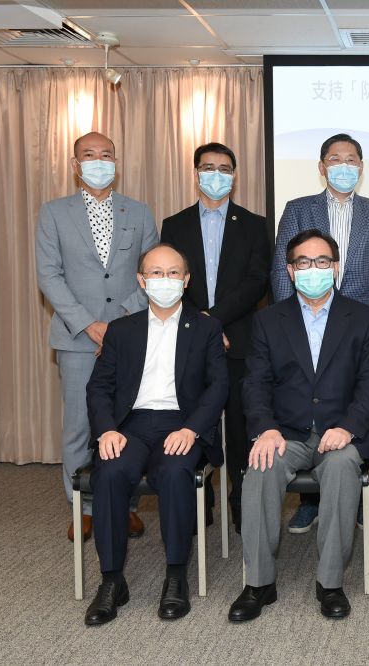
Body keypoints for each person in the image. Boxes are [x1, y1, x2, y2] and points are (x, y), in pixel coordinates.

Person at [229, 229, 369, 622]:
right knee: (260, 468)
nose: (312, 269)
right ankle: (259, 583)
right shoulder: (268, 320)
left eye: (321, 262)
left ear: (335, 268)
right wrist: (265, 428)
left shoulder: (363, 318)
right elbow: (255, 382)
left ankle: (330, 583)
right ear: (289, 269)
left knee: (340, 467)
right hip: (286, 431)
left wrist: (349, 428)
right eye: (303, 262)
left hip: (341, 431)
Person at [83, 244, 228, 625]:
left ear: (186, 280)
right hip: (129, 427)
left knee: (176, 472)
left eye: (173, 273)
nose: (165, 280)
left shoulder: (207, 328)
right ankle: (112, 580)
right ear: (141, 280)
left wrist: (193, 429)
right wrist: (106, 431)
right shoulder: (121, 330)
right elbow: (99, 388)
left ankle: (176, 575)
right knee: (110, 473)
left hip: (181, 424)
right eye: (156, 273)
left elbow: (218, 387)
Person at [272, 133, 369, 534]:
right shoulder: (298, 208)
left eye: (351, 159)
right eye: (334, 158)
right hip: (305, 323)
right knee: (308, 410)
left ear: (361, 167)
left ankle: (362, 501)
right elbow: (281, 268)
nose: (343, 165)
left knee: (359, 410)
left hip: (359, 330)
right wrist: (286, 324)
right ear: (322, 166)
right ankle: (311, 501)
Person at [36, 131, 159, 541]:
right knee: (79, 426)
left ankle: (122, 505)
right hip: (76, 338)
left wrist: (121, 320)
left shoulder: (139, 212)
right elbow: (49, 276)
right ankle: (83, 509)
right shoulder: (53, 213)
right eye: (89, 155)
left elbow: (152, 272)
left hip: (128, 336)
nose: (99, 161)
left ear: (117, 162)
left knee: (125, 422)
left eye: (106, 154)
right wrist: (90, 323)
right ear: (75, 165)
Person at [161, 141, 269, 533]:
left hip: (239, 338)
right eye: (209, 167)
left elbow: (258, 281)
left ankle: (242, 502)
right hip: (190, 339)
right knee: (196, 421)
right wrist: (204, 326)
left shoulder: (255, 224)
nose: (217, 175)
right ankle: (198, 504)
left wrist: (216, 320)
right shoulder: (174, 225)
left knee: (241, 430)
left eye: (225, 168)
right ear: (196, 173)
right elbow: (171, 280)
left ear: (235, 176)